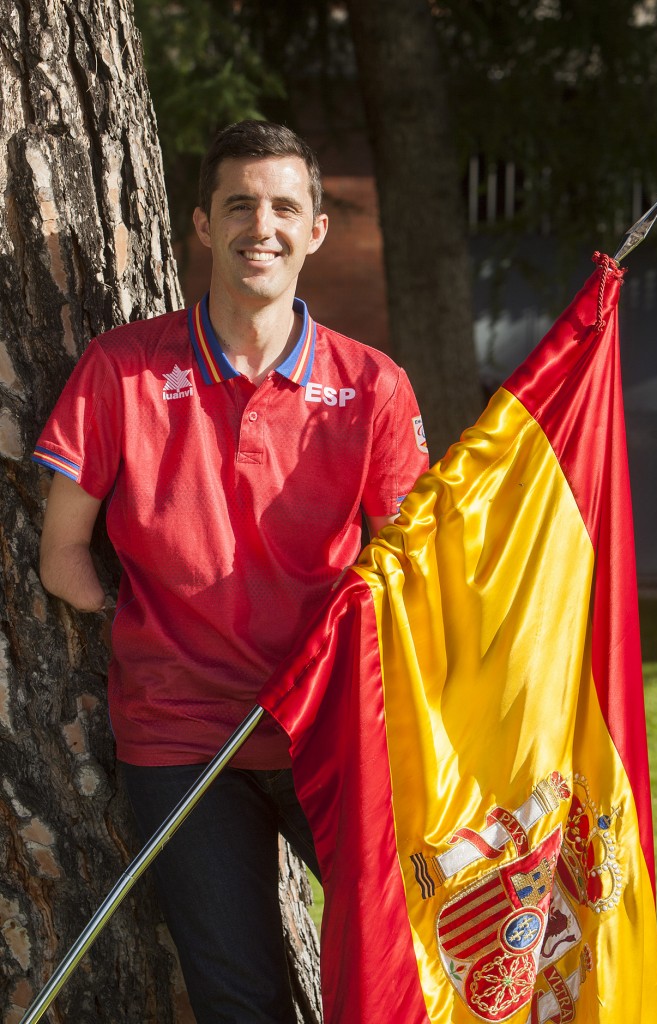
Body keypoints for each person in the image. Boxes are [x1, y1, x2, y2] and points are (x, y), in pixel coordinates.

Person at [34, 120, 429, 1023]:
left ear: (316, 229)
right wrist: (162, 629)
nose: (264, 225)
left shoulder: (372, 387)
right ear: (203, 224)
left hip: (330, 734)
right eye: (240, 204)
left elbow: (410, 574)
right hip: (181, 742)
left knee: (409, 962)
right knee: (238, 1000)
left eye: (285, 206)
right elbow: (64, 562)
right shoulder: (121, 370)